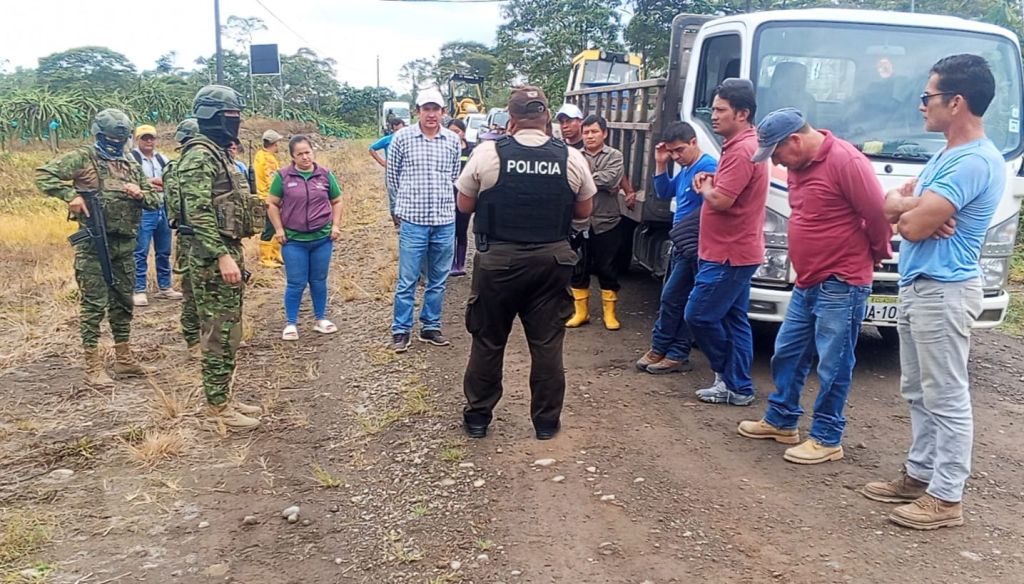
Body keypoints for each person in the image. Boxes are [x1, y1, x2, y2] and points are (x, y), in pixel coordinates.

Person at [862, 55, 1005, 530]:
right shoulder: (946, 155)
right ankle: (919, 475)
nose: (922, 105)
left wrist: (911, 210)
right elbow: (890, 210)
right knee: (917, 390)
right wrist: (913, 206)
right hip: (922, 286)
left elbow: (911, 227)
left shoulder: (972, 161)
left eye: (928, 96)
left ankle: (946, 496)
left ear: (956, 101)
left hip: (944, 289)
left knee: (946, 394)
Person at [736, 108, 892, 464]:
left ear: (795, 140)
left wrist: (877, 253)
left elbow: (877, 214)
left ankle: (827, 436)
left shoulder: (846, 162)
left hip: (841, 280)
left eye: (777, 153)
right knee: (787, 352)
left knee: (834, 363)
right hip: (807, 279)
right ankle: (782, 420)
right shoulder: (799, 165)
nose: (777, 161)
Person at [456, 85, 596, 440]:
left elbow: (464, 205)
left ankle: (478, 417)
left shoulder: (487, 153)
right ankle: (546, 423)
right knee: (547, 345)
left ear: (511, 118)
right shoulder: (570, 157)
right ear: (546, 116)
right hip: (551, 261)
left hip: (498, 262)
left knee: (488, 341)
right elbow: (584, 211)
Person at [35, 109, 161, 386]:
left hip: (124, 244)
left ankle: (124, 358)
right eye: (111, 138)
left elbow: (154, 200)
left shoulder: (129, 163)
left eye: (120, 139)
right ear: (99, 135)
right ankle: (93, 365)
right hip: (94, 245)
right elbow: (44, 175)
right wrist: (71, 195)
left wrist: (140, 193)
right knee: (94, 304)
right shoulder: (84, 157)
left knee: (123, 301)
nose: (116, 143)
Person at [177, 84, 264, 430]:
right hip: (211, 256)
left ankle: (223, 396)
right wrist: (221, 256)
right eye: (230, 115)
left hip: (225, 248)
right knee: (219, 332)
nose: (235, 121)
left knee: (230, 329)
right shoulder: (200, 156)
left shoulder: (217, 152)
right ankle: (217, 407)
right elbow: (197, 214)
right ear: (211, 116)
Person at [685, 78, 769, 406]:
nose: (714, 115)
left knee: (698, 314)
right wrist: (711, 180)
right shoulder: (743, 145)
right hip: (735, 250)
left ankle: (728, 375)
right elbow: (729, 188)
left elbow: (722, 200)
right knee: (734, 320)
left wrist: (707, 188)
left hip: (728, 253)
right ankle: (738, 386)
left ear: (742, 113)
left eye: (721, 110)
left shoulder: (742, 149)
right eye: (714, 109)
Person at [636, 121, 717, 374]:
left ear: (694, 142)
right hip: (682, 242)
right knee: (672, 297)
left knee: (678, 298)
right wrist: (661, 163)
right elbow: (664, 192)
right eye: (671, 152)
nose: (676, 156)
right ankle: (661, 348)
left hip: (696, 243)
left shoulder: (707, 167)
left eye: (679, 150)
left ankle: (676, 352)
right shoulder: (687, 168)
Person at [385, 88, 461, 353]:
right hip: (414, 221)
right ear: (417, 111)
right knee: (407, 279)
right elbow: (392, 177)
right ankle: (401, 330)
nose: (431, 114)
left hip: (444, 220)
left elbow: (454, 176)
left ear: (443, 112)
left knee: (438, 279)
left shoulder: (452, 140)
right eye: (426, 109)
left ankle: (430, 326)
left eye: (435, 109)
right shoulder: (402, 138)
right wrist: (398, 209)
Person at [266, 135, 344, 340]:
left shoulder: (325, 175)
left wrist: (335, 225)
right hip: (294, 240)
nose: (305, 157)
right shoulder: (283, 177)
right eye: (299, 154)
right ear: (292, 156)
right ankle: (291, 323)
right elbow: (272, 203)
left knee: (319, 280)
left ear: (313, 152)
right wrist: (279, 229)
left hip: (321, 239)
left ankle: (321, 319)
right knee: (296, 282)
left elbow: (337, 200)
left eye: (307, 152)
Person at [565, 115, 625, 330]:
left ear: (604, 133)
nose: (590, 136)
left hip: (607, 221)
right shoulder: (573, 155)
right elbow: (566, 179)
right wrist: (598, 181)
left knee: (606, 267)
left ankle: (610, 314)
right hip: (579, 222)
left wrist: (582, 179)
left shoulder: (615, 155)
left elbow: (612, 178)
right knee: (578, 267)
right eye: (586, 132)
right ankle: (581, 312)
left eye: (594, 132)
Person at [164, 118, 203, 358]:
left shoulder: (174, 169)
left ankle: (203, 338)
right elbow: (178, 208)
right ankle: (193, 339)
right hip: (191, 235)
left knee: (201, 291)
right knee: (193, 291)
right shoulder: (177, 169)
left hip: (196, 234)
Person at [129, 124, 180, 307]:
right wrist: (151, 183)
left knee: (164, 250)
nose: (149, 141)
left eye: (151, 137)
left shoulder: (162, 159)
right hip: (143, 209)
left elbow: (171, 181)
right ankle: (139, 289)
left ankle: (165, 287)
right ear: (137, 140)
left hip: (163, 207)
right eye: (145, 138)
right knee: (140, 251)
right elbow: (129, 183)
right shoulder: (131, 159)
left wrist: (157, 184)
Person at [446, 118, 473, 276]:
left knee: (462, 229)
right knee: (450, 229)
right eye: (451, 131)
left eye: (457, 131)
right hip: (448, 195)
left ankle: (460, 264)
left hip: (465, 194)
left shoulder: (472, 150)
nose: (454, 135)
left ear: (463, 132)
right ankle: (449, 262)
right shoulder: (443, 149)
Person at [369, 118, 407, 226]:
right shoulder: (387, 140)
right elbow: (372, 148)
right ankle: (397, 223)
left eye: (400, 129)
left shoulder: (409, 140)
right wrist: (382, 162)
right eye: (396, 130)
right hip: (391, 172)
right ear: (392, 130)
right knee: (393, 197)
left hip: (405, 172)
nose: (398, 132)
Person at [255, 129, 285, 268]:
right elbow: (271, 181)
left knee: (275, 226)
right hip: (269, 197)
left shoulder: (260, 155)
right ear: (274, 143)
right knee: (270, 227)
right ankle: (265, 258)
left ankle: (274, 253)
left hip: (263, 195)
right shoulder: (269, 159)